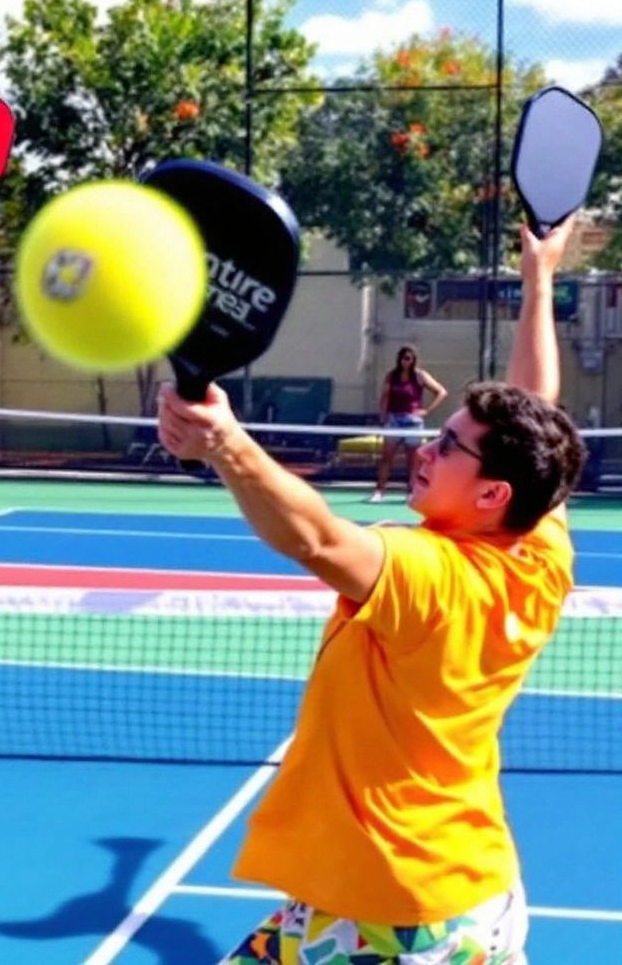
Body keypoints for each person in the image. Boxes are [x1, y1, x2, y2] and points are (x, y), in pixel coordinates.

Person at [157, 218, 586, 964]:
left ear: (491, 494)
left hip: (391, 914)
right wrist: (539, 275)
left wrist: (224, 442)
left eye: (448, 446)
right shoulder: (540, 548)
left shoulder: (434, 577)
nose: (428, 447)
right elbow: (535, 402)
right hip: (463, 891)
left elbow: (317, 539)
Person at [369, 344, 447, 502]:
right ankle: (379, 491)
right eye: (404, 358)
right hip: (393, 420)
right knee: (386, 457)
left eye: (410, 359)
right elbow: (385, 397)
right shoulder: (391, 376)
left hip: (413, 422)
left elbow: (441, 392)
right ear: (399, 359)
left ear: (414, 360)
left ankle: (411, 491)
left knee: (413, 459)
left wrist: (426, 410)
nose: (407, 361)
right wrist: (382, 416)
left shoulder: (420, 375)